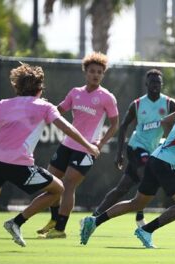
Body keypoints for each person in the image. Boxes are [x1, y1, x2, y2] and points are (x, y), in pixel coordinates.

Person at [0, 63, 100, 252]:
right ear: (40, 88)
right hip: (20, 165)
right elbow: (67, 128)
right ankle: (17, 222)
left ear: (17, 87)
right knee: (58, 189)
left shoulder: (3, 104)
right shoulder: (44, 107)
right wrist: (89, 146)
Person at [80, 81, 175, 248]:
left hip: (155, 158)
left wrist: (168, 142)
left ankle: (94, 221)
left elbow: (165, 121)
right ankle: (146, 230)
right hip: (166, 163)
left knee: (137, 203)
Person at [38, 52, 119, 238]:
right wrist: (42, 107)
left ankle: (60, 229)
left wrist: (100, 143)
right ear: (85, 72)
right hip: (67, 144)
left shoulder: (107, 97)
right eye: (92, 71)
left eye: (99, 72)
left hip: (87, 148)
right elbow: (58, 111)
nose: (96, 75)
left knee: (67, 185)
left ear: (103, 74)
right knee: (51, 182)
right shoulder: (75, 93)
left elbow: (115, 124)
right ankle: (53, 219)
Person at [92, 69, 175, 227]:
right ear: (146, 83)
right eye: (152, 82)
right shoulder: (138, 104)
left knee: (122, 188)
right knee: (148, 176)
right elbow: (123, 126)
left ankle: (94, 216)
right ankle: (139, 216)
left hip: (152, 150)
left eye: (158, 82)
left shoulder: (169, 103)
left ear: (162, 84)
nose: (155, 85)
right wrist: (119, 153)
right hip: (136, 147)